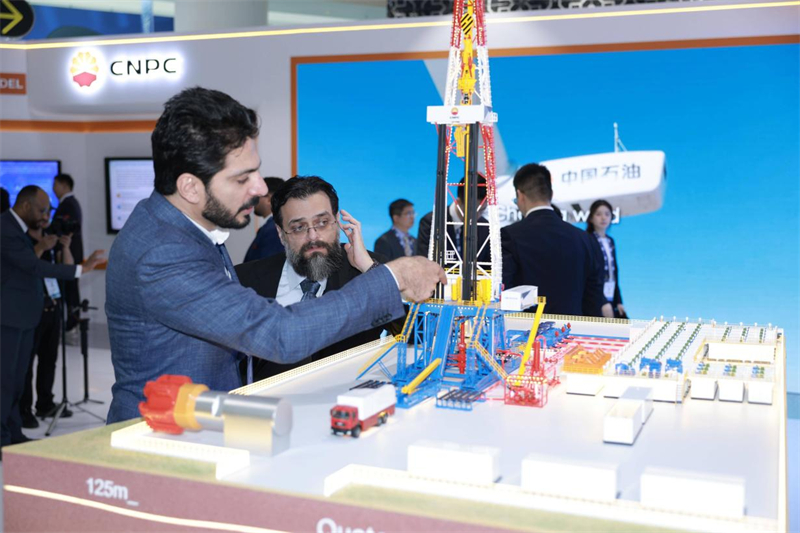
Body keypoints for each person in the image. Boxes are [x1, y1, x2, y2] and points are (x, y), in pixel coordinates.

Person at [104, 87, 445, 424]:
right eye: (242, 178)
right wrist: (393, 277)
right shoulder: (164, 252)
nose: (260, 188)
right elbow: (280, 335)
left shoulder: (185, 231)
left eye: (256, 171)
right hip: (161, 437)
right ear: (190, 187)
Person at [237, 176, 396, 381]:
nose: (313, 237)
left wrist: (367, 267)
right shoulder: (245, 279)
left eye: (322, 223)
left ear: (337, 222)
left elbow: (414, 333)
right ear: (281, 233)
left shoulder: (368, 271)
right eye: (299, 227)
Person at [1, 186, 103, 452]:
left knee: (16, 381)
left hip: (24, 317)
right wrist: (81, 269)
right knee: (5, 381)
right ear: (26, 207)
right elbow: (34, 266)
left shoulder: (18, 229)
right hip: (8, 319)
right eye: (42, 209)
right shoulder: (5, 228)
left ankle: (13, 433)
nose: (45, 215)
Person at [501, 163, 610, 317]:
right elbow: (593, 298)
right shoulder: (586, 240)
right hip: (573, 329)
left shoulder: (509, 236)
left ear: (520, 195)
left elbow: (504, 291)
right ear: (551, 194)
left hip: (524, 330)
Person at [20, 223, 76, 428]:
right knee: (26, 364)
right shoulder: (21, 240)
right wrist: (41, 247)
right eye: (41, 212)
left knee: (49, 359)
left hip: (53, 307)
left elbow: (68, 270)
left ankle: (45, 403)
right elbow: (24, 267)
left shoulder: (52, 239)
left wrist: (65, 247)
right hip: (31, 309)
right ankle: (23, 410)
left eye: (47, 213)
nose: (44, 217)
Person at [416, 173, 490, 263]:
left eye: (482, 210)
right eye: (471, 210)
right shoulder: (432, 222)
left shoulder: (485, 227)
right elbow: (423, 262)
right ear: (458, 202)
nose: (476, 216)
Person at [52, 173, 84, 330]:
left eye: (55, 185)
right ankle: (71, 322)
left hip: (67, 254)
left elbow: (65, 231)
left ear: (64, 185)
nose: (53, 189)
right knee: (70, 289)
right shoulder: (71, 203)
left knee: (69, 290)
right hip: (70, 253)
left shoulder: (68, 205)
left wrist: (60, 250)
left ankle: (71, 324)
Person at [586, 199, 626, 318]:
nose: (603, 218)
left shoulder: (610, 241)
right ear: (591, 218)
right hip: (594, 298)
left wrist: (619, 301)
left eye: (607, 214)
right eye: (598, 214)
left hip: (611, 296)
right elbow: (589, 275)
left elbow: (614, 274)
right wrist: (602, 301)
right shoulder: (587, 240)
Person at [243, 176, 285, 262]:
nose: (253, 201)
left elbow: (268, 264)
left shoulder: (273, 229)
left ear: (269, 199)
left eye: (256, 196)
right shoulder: (273, 226)